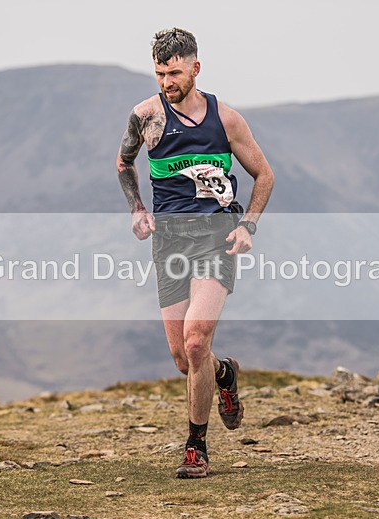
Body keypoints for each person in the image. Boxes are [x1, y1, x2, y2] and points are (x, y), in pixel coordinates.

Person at [116, 28, 274, 478]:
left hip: (216, 238)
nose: (167, 82)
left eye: (176, 72)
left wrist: (248, 225)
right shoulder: (145, 116)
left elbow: (265, 176)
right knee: (185, 360)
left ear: (196, 68)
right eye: (160, 73)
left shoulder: (226, 119)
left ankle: (196, 448)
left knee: (195, 339)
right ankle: (224, 374)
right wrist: (137, 209)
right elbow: (124, 162)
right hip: (169, 241)